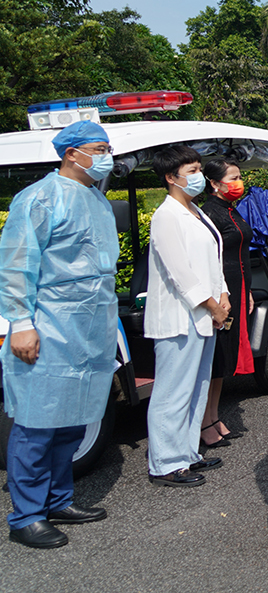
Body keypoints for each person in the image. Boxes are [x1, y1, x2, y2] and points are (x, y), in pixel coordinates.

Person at [0, 121, 120, 549]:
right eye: (98, 147)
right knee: (36, 422)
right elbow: (17, 263)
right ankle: (26, 516)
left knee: (72, 419)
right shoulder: (38, 198)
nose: (107, 154)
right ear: (71, 153)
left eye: (108, 147)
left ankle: (58, 498)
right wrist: (20, 323)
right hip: (48, 323)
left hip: (90, 326)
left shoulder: (95, 199)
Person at [145, 145, 229, 489]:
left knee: (196, 388)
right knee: (173, 392)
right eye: (191, 170)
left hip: (206, 314)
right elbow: (179, 272)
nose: (197, 176)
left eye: (198, 169)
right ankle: (165, 463)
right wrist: (211, 304)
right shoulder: (166, 216)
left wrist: (223, 295)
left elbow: (212, 259)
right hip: (181, 316)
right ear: (171, 177)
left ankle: (187, 453)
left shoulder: (196, 211)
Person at [199, 159, 256, 449]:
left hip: (238, 286)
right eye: (233, 177)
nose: (239, 182)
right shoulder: (209, 213)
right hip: (220, 290)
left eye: (239, 176)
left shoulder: (231, 210)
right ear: (214, 183)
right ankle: (204, 421)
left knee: (226, 356)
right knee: (217, 356)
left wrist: (246, 292)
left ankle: (214, 414)